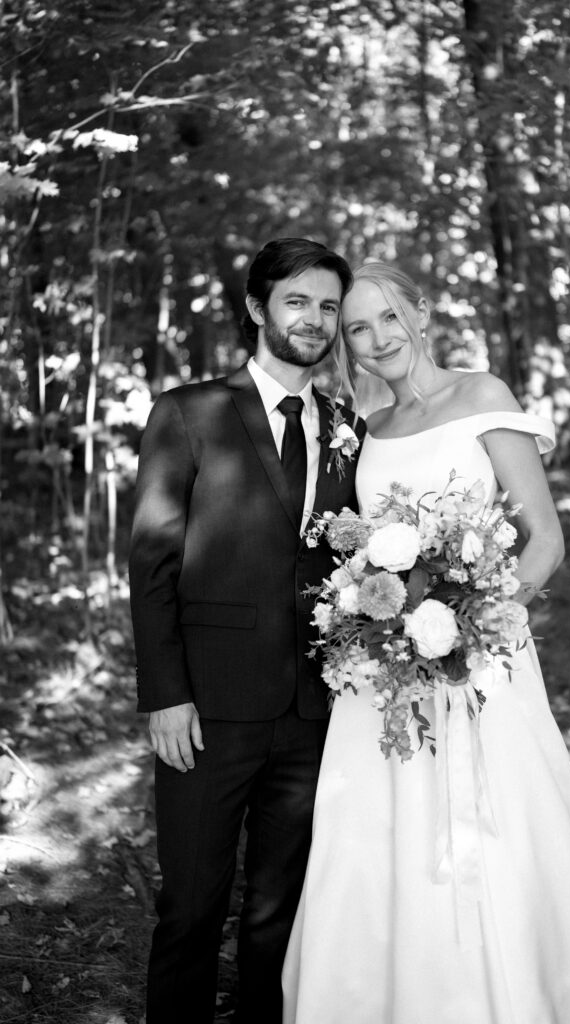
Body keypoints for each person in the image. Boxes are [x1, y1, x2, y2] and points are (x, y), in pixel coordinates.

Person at [282, 261, 570, 1024]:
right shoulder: (368, 427)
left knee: (498, 825)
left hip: (480, 664)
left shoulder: (483, 396)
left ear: (421, 312)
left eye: (386, 319)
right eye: (357, 329)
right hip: (383, 674)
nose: (375, 339)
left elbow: (544, 539)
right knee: (374, 833)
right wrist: (377, 623)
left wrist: (472, 626)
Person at [128, 237, 364, 1024]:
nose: (315, 319)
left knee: (280, 913)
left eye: (328, 305)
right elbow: (153, 564)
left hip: (312, 710)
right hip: (207, 708)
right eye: (296, 300)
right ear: (258, 309)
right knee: (191, 906)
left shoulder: (345, 425)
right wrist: (166, 697)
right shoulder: (189, 412)